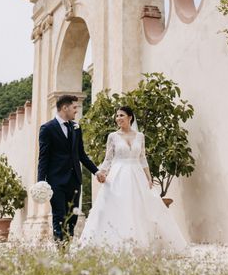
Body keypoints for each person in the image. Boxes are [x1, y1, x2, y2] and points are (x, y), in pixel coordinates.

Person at [78, 106, 188, 253]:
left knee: (141, 206)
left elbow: (142, 158)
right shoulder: (113, 136)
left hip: (137, 176)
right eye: (116, 116)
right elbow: (108, 159)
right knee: (118, 207)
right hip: (118, 176)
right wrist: (101, 173)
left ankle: (141, 244)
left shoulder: (140, 136)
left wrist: (149, 178)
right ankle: (114, 244)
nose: (118, 118)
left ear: (130, 117)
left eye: (121, 115)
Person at [37, 95, 106, 243]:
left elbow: (81, 154)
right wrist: (41, 182)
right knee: (59, 216)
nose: (76, 111)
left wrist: (96, 171)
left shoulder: (76, 127)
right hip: (56, 181)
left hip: (74, 180)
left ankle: (67, 247)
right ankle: (61, 251)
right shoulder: (47, 128)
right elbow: (43, 158)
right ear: (64, 108)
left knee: (72, 218)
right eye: (74, 108)